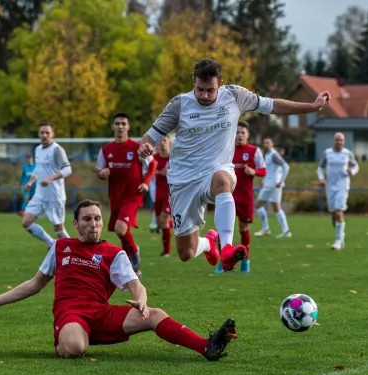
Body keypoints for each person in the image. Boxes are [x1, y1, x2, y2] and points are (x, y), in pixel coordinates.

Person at [0, 200, 238, 362]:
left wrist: (142, 302)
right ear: (75, 223)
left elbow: (137, 286)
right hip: (70, 312)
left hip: (101, 313)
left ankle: (206, 346)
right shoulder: (61, 247)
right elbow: (35, 283)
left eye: (97, 219)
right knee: (74, 350)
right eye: (87, 219)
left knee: (154, 315)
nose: (94, 224)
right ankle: (69, 337)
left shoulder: (113, 253)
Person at [137, 58, 331, 272]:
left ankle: (227, 246)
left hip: (216, 171)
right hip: (183, 181)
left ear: (221, 83)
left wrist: (312, 107)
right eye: (199, 89)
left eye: (210, 90)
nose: (204, 95)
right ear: (193, 81)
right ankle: (209, 243)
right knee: (186, 253)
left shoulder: (235, 96)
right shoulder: (179, 104)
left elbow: (273, 105)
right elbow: (151, 135)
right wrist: (145, 146)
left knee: (222, 180)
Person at [97, 113, 157, 277]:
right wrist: (102, 173)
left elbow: (152, 164)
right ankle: (132, 267)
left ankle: (134, 252)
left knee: (120, 228)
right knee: (120, 232)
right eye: (117, 123)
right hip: (116, 195)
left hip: (133, 195)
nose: (120, 126)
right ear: (113, 126)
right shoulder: (106, 150)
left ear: (128, 127)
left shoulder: (136, 147)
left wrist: (146, 182)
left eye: (123, 123)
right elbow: (99, 171)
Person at [215, 121, 265, 273]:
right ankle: (222, 262)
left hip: (245, 197)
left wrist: (254, 172)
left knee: (243, 228)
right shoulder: (227, 150)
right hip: (227, 196)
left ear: (248, 135)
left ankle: (245, 261)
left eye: (243, 132)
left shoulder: (254, 151)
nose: (240, 135)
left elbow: (263, 170)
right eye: (237, 132)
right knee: (222, 229)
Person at [22, 123, 72, 248]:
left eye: (47, 133)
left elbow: (68, 169)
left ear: (52, 135)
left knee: (59, 230)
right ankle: (51, 243)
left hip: (55, 195)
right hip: (40, 195)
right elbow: (38, 169)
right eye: (42, 132)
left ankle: (76, 251)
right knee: (26, 222)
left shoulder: (57, 149)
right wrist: (30, 182)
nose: (44, 135)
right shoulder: (38, 149)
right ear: (38, 134)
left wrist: (51, 178)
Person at [317, 132, 359, 250]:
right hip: (330, 186)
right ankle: (341, 235)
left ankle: (337, 241)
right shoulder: (327, 153)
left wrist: (352, 171)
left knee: (338, 211)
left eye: (341, 140)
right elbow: (320, 167)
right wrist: (321, 178)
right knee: (333, 215)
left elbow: (356, 166)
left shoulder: (347, 153)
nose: (339, 142)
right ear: (333, 141)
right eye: (337, 140)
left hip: (343, 185)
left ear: (344, 142)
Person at [254, 137, 292, 238]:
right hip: (271, 184)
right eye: (264, 143)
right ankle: (286, 230)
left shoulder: (274, 154)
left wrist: (281, 181)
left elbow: (286, 166)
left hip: (272, 185)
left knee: (257, 205)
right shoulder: (268, 155)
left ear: (272, 144)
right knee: (276, 207)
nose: (266, 144)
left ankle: (265, 228)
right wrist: (264, 181)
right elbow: (270, 171)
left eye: (268, 143)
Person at [153, 136, 173, 257]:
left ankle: (167, 252)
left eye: (164, 140)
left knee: (163, 220)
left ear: (169, 142)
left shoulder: (174, 158)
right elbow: (147, 171)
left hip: (170, 194)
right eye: (159, 140)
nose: (161, 143)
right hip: (158, 194)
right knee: (161, 223)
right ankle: (175, 224)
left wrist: (170, 173)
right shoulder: (154, 159)